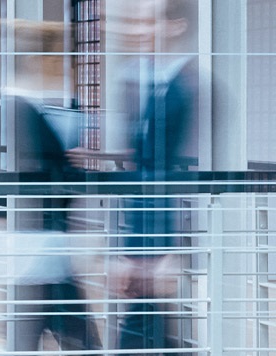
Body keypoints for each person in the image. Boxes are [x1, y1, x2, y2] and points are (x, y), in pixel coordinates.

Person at [0, 19, 100, 352]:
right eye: (61, 59)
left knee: (31, 336)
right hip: (40, 248)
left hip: (39, 248)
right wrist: (75, 169)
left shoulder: (19, 107)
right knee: (77, 340)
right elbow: (45, 174)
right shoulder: (20, 110)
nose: (67, 68)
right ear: (41, 61)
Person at [107, 1, 200, 354]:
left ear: (174, 26)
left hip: (158, 238)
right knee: (152, 330)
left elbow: (162, 176)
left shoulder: (182, 88)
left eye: (147, 23)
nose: (137, 31)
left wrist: (151, 252)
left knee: (139, 332)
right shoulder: (146, 80)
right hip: (147, 237)